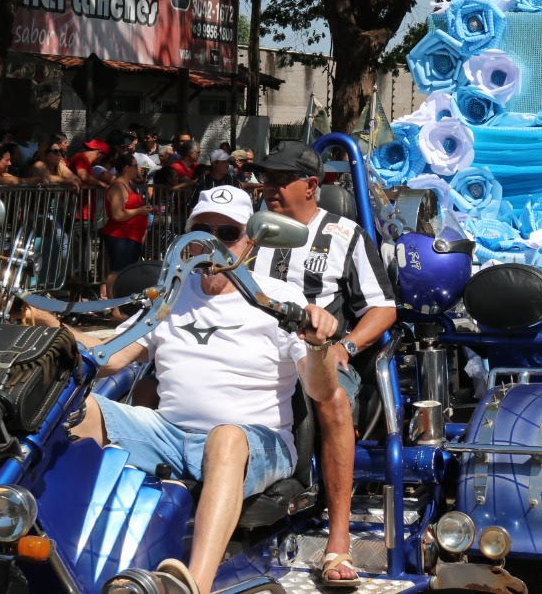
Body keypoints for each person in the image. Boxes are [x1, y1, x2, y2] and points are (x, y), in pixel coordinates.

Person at [23, 186, 341, 594]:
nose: (212, 244)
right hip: (169, 435)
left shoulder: (279, 298)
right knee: (74, 407)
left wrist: (319, 346)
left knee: (226, 438)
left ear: (250, 242)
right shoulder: (171, 293)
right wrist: (46, 320)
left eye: (227, 234)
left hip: (255, 443)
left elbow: (319, 389)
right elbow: (109, 358)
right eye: (202, 231)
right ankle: (44, 543)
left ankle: (196, 585)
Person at [247, 140, 396, 586]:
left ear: (312, 185)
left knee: (331, 403)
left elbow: (383, 308)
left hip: (322, 353)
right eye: (263, 179)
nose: (267, 187)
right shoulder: (251, 231)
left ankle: (338, 541)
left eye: (278, 179)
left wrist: (344, 347)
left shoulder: (346, 235)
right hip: (255, 350)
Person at [100, 153, 150, 297]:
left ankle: (122, 303)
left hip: (132, 236)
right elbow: (117, 214)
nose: (138, 169)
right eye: (136, 166)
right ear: (127, 168)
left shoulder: (130, 185)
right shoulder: (118, 187)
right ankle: (113, 306)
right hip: (120, 236)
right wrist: (140, 210)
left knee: (126, 271)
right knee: (116, 271)